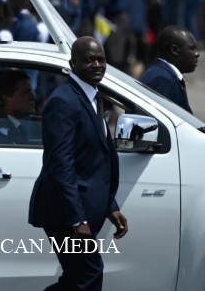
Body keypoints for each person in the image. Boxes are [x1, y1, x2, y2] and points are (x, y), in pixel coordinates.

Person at [29, 37, 128, 291]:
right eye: (89, 60)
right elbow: (62, 165)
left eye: (101, 60)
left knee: (77, 278)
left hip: (83, 210)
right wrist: (77, 219)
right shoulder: (65, 101)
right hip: (64, 214)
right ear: (73, 64)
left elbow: (94, 159)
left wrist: (110, 205)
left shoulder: (92, 97)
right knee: (89, 274)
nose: (97, 65)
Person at [140, 25, 199, 113]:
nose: (197, 54)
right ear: (175, 50)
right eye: (192, 48)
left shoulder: (164, 74)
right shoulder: (163, 81)